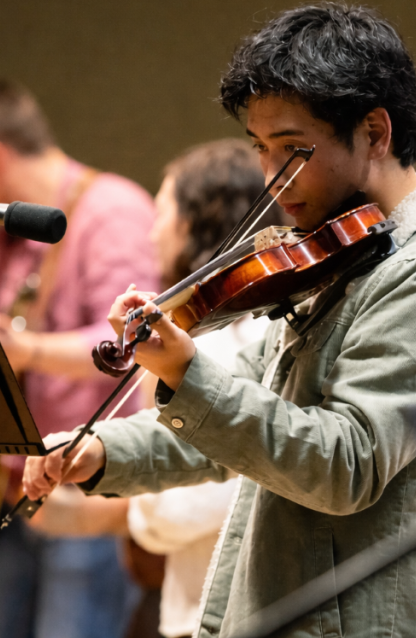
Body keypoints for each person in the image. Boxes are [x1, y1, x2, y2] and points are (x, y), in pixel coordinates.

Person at [25, 2, 416, 638]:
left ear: (375, 133)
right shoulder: (344, 259)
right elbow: (240, 413)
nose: (272, 178)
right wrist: (102, 451)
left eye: (292, 149)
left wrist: (187, 370)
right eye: (261, 149)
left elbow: (347, 464)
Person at [0, 76, 156, 638]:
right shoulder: (6, 228)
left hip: (86, 486)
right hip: (11, 485)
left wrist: (27, 349)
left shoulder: (111, 210)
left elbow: (134, 342)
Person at [28, 139, 279, 638]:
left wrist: (109, 514)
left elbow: (218, 492)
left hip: (231, 609)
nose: (150, 231)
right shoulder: (202, 332)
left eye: (161, 212)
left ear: (194, 223)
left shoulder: (226, 342)